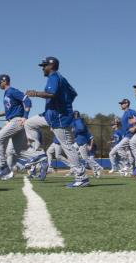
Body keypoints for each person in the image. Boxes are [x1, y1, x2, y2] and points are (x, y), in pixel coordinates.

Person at [25, 57, 86, 188]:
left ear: (51, 66)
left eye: (44, 65)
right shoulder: (61, 78)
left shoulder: (54, 77)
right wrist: (65, 102)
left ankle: (81, 177)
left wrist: (35, 93)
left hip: (60, 117)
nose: (42, 68)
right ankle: (38, 154)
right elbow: (73, 93)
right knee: (29, 123)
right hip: (51, 115)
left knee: (68, 146)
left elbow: (51, 94)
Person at [0, 73, 46, 180]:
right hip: (13, 120)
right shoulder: (7, 93)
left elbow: (27, 100)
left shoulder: (12, 91)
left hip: (16, 121)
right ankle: (39, 156)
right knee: (18, 151)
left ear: (4, 81)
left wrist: (25, 116)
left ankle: (3, 167)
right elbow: (11, 109)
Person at [73, 111, 103, 178]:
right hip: (78, 141)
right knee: (72, 151)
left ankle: (98, 167)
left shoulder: (79, 120)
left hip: (81, 141)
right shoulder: (78, 121)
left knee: (85, 158)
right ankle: (76, 169)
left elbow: (81, 129)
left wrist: (74, 130)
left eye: (74, 115)